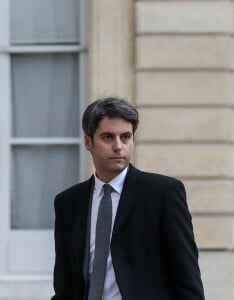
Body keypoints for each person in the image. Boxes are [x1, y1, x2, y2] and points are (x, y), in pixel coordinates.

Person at [51, 97, 205, 300]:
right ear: (88, 141)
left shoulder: (163, 194)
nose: (118, 146)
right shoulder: (68, 203)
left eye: (125, 137)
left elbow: (187, 279)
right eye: (108, 137)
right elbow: (65, 285)